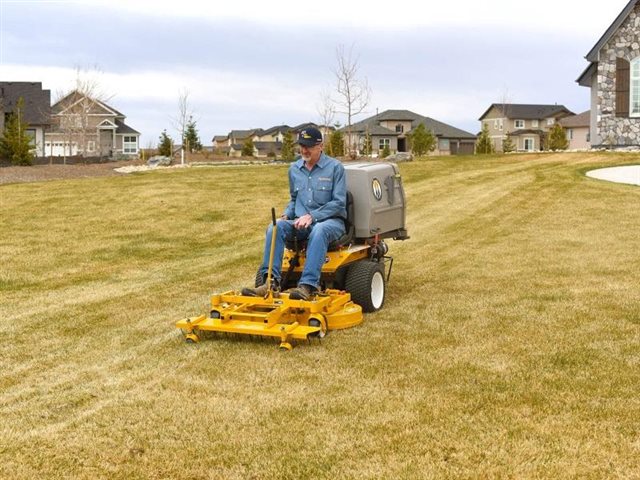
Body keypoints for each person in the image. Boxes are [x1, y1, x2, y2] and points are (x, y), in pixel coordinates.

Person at [242, 127, 347, 300]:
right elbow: (294, 199)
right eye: (301, 146)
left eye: (309, 146)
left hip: (331, 222)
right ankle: (270, 282)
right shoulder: (294, 170)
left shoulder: (335, 168)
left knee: (319, 229)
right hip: (301, 223)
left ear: (320, 146)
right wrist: (287, 214)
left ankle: (307, 286)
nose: (304, 150)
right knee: (275, 227)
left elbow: (338, 203)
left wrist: (312, 216)